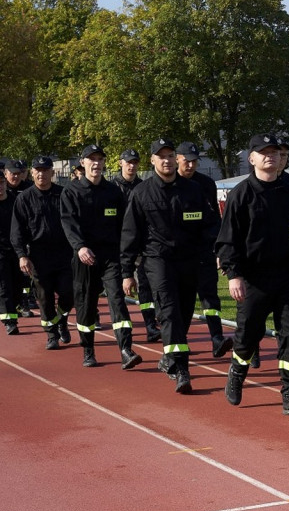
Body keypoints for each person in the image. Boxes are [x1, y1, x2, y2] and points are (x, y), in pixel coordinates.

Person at [218, 133, 289, 418]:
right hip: (253, 277)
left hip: (287, 277)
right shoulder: (241, 194)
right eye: (263, 152)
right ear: (252, 158)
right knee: (247, 335)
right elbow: (227, 240)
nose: (270, 156)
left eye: (274, 152)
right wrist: (233, 275)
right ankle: (237, 373)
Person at [121, 138, 218, 394]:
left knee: (184, 313)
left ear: (176, 158)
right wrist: (127, 272)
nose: (166, 160)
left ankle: (169, 357)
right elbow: (130, 235)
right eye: (160, 156)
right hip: (157, 260)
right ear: (152, 160)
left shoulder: (193, 190)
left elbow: (210, 224)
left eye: (170, 155)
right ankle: (181, 369)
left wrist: (210, 248)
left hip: (189, 261)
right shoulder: (141, 194)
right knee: (170, 310)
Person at [60, 144, 141, 369]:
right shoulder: (71, 191)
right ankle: (88, 350)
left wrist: (128, 256)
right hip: (85, 256)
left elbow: (124, 225)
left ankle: (126, 349)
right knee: (86, 304)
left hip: (110, 257)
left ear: (104, 163)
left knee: (118, 301)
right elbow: (69, 223)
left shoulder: (113, 192)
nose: (96, 163)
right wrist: (80, 247)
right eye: (91, 159)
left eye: (100, 159)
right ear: (83, 163)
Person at [10, 156, 73, 350]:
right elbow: (17, 231)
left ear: (52, 173)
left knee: (68, 293)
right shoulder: (24, 198)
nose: (41, 173)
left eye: (45, 170)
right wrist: (22, 255)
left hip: (64, 254)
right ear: (31, 172)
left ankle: (61, 319)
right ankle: (52, 334)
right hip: (39, 255)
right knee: (44, 297)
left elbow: (74, 223)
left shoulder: (64, 194)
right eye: (37, 170)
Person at [176, 141, 231, 358]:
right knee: (183, 302)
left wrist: (218, 250)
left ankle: (217, 338)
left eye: (194, 161)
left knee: (210, 297)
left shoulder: (207, 184)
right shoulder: (170, 183)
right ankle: (177, 343)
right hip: (178, 254)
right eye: (186, 160)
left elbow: (214, 219)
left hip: (204, 250)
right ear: (177, 159)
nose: (190, 165)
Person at [112, 148, 160, 343]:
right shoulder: (112, 188)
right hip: (116, 243)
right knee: (117, 286)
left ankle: (150, 324)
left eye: (135, 162)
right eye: (128, 162)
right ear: (120, 163)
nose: (132, 166)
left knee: (145, 284)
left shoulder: (143, 187)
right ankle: (122, 327)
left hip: (140, 243)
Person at [4, 158, 37, 317]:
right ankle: (11, 309)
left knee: (24, 275)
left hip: (24, 238)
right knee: (6, 278)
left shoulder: (29, 189)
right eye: (13, 174)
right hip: (5, 240)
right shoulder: (3, 189)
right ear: (6, 174)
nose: (16, 177)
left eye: (19, 174)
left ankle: (24, 299)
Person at [0, 160, 21, 334]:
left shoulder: (16, 201)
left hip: (15, 250)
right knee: (4, 285)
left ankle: (14, 309)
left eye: (1, 183)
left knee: (15, 285)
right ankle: (9, 320)